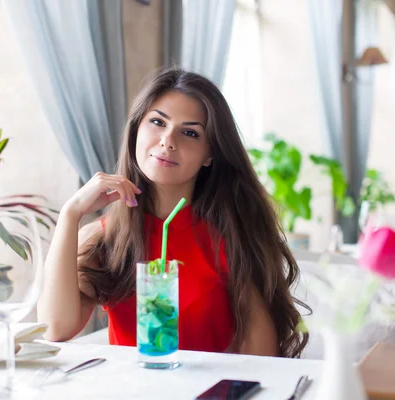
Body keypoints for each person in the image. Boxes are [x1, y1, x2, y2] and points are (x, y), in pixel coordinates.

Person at [39, 66, 309, 358]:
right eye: (158, 122)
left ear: (210, 154)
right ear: (136, 131)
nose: (168, 141)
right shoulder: (104, 238)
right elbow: (55, 328)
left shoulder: (230, 238)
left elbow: (261, 360)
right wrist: (70, 214)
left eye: (190, 132)